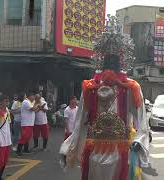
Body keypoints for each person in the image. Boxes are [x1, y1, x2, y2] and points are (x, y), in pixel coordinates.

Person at [59, 24, 149, 180]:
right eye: (108, 59)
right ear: (102, 61)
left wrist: (139, 141)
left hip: (119, 149)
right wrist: (68, 148)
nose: (111, 64)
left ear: (120, 62)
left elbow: (141, 120)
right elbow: (80, 120)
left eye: (114, 60)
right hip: (94, 150)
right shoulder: (90, 87)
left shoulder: (130, 88)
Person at [0, 95, 12, 179]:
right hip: (0, 141)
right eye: (5, 101)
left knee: (4, 161)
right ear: (0, 102)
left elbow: (9, 123)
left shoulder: (7, 111)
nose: (7, 103)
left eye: (8, 101)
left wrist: (10, 136)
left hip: (7, 141)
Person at [16, 92, 39, 156]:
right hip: (26, 123)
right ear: (30, 96)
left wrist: (39, 107)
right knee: (24, 137)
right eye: (33, 96)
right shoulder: (26, 102)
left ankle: (26, 149)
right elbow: (33, 109)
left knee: (28, 137)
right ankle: (18, 150)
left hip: (30, 123)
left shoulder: (30, 102)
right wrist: (36, 104)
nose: (34, 98)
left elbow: (34, 111)